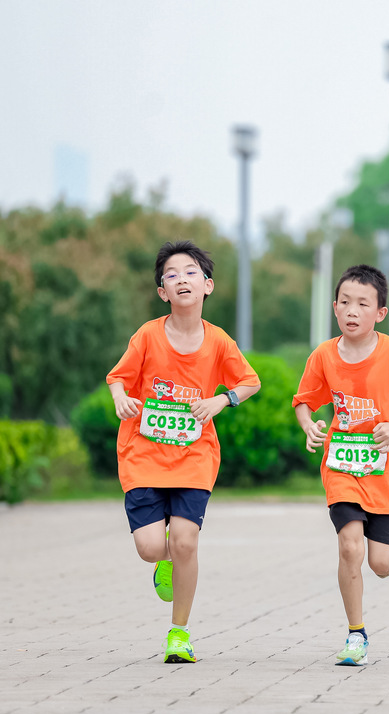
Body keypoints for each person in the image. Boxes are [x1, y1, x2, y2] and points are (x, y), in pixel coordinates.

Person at [107, 240, 261, 663]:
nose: (182, 280)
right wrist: (121, 398)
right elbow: (118, 377)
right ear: (163, 292)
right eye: (172, 275)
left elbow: (250, 382)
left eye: (191, 272)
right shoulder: (148, 335)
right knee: (150, 548)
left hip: (195, 456)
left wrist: (221, 400)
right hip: (144, 454)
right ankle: (166, 560)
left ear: (207, 285)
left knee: (186, 542)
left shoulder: (219, 341)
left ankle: (179, 633)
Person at [293, 265, 389, 667]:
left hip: (385, 469)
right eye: (344, 302)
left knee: (382, 564)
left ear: (380, 312)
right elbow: (304, 401)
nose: (352, 310)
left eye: (362, 303)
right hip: (341, 466)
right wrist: (309, 425)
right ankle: (356, 634)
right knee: (349, 546)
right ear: (334, 308)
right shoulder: (324, 355)